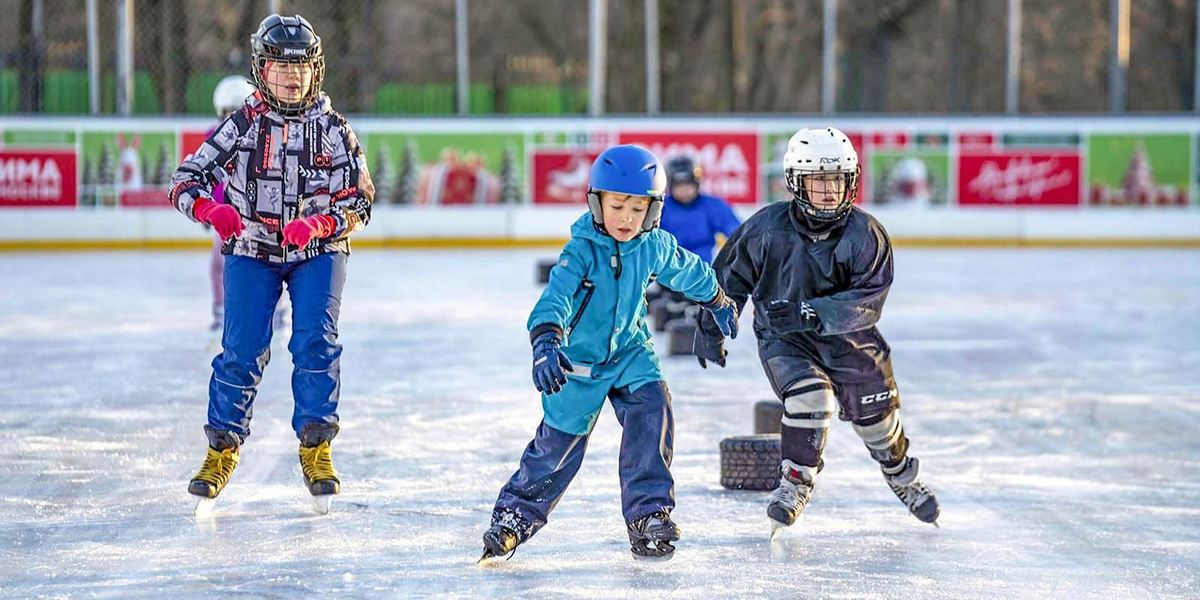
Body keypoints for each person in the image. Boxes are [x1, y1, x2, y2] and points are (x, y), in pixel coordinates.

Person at [480, 145, 739, 561]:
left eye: (638, 210)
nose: (627, 218)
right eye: (617, 206)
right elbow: (555, 299)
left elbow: (686, 268)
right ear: (596, 203)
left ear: (653, 212)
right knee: (557, 448)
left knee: (653, 410)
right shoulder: (581, 250)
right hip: (577, 363)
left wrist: (717, 299)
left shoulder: (652, 244)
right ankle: (514, 516)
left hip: (631, 352)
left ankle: (648, 513)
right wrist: (546, 341)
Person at [168, 14, 374, 515]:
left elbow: (362, 201)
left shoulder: (334, 129)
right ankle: (221, 451)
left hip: (318, 254)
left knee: (314, 343)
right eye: (280, 65)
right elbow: (184, 180)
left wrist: (322, 226)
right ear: (262, 69)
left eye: (300, 65)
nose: (290, 75)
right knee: (241, 349)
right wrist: (209, 208)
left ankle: (316, 449)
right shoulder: (242, 124)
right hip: (251, 251)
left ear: (315, 70)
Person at [695, 127, 940, 538]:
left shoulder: (867, 235)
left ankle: (901, 473)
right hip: (785, 339)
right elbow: (729, 275)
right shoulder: (766, 229)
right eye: (818, 181)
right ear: (795, 181)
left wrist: (811, 312)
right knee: (811, 399)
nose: (829, 192)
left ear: (852, 181)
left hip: (852, 341)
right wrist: (711, 322)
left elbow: (868, 301)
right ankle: (795, 482)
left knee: (878, 423)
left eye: (837, 180)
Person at [203, 75, 290, 353]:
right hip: (229, 220)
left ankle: (278, 318)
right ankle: (221, 319)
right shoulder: (215, 139)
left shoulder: (268, 137)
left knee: (272, 264)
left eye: (239, 112)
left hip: (263, 219)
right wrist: (211, 211)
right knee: (219, 265)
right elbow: (208, 177)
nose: (234, 119)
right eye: (228, 113)